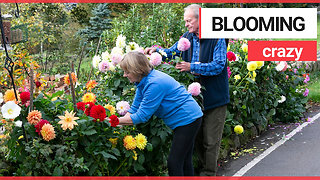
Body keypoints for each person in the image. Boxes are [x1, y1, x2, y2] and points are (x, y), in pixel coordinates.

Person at [145, 4, 229, 176]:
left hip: (215, 98)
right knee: (196, 139)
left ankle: (208, 174)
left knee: (211, 141)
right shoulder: (187, 38)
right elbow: (171, 52)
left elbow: (218, 66)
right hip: (193, 100)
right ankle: (201, 171)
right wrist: (156, 51)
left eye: (189, 21)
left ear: (200, 19)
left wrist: (192, 67)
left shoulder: (217, 37)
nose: (186, 25)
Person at [118, 51, 203, 176]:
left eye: (127, 72)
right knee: (184, 161)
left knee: (174, 163)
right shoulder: (143, 82)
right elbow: (134, 109)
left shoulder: (154, 83)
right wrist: (116, 123)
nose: (125, 75)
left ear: (138, 70)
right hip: (187, 118)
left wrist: (114, 122)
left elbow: (142, 116)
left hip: (188, 119)